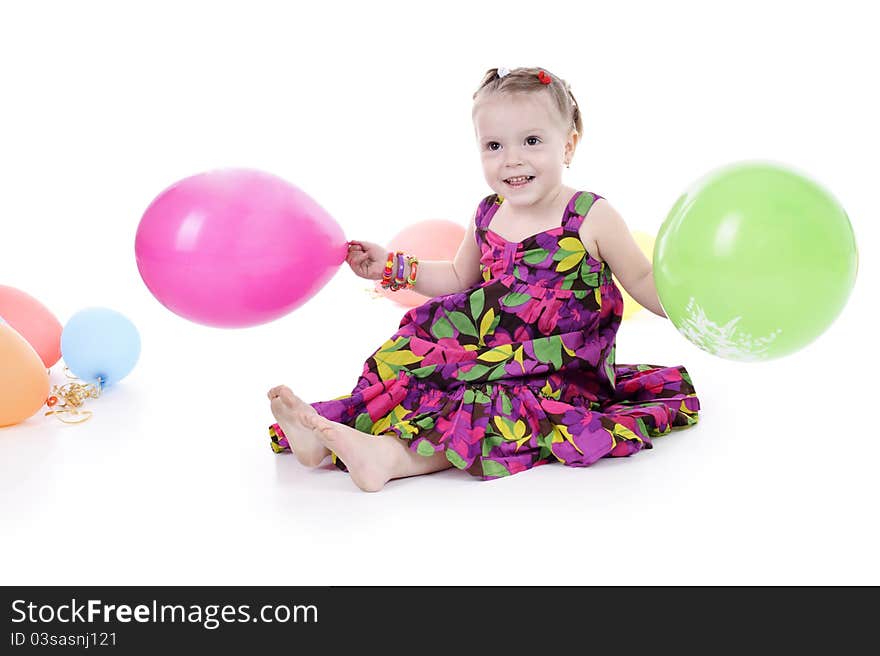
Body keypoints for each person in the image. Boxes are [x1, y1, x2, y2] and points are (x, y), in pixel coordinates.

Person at [267, 66, 700, 492]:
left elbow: (642, 278)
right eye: (494, 145)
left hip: (558, 365)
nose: (511, 159)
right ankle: (325, 440)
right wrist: (391, 267)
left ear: (567, 146)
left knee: (495, 406)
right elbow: (459, 277)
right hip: (490, 345)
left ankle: (388, 458)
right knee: (411, 361)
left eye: (531, 141)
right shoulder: (489, 212)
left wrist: (696, 309)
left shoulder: (589, 216)